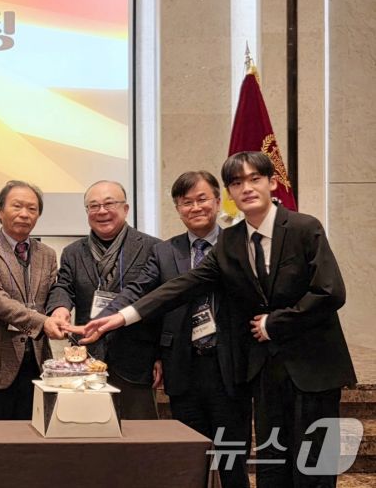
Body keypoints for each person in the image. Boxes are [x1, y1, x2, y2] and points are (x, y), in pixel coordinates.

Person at [77, 152, 356, 488]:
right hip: (265, 370)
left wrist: (273, 323)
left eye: (254, 179)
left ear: (272, 182)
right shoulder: (233, 241)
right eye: (237, 183)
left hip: (313, 365)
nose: (246, 188)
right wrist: (118, 318)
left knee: (314, 465)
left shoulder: (303, 227)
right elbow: (181, 286)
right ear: (230, 193)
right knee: (272, 465)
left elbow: (330, 292)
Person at [97, 171, 250, 488]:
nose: (195, 207)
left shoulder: (240, 245)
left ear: (217, 201)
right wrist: (106, 318)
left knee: (231, 460)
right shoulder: (164, 252)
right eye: (186, 202)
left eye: (202, 199)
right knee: (189, 461)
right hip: (183, 368)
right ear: (178, 209)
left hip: (229, 367)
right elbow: (139, 292)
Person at [46, 180, 162, 419]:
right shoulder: (73, 252)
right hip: (86, 359)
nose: (101, 211)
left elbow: (162, 305)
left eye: (109, 204)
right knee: (86, 428)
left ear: (126, 209)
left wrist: (162, 356)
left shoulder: (153, 247)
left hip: (137, 358)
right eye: (94, 206)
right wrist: (59, 308)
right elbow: (63, 286)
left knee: (139, 432)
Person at [0, 180, 69, 420]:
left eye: (32, 208)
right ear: (0, 211)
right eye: (17, 206)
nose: (24, 214)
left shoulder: (47, 254)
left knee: (32, 438)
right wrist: (43, 322)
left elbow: (53, 292)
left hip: (36, 365)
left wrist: (60, 310)